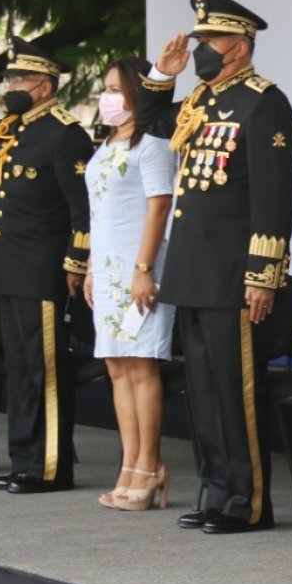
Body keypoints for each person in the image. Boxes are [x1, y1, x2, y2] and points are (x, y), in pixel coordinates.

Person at [137, 0, 292, 535]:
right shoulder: (200, 99)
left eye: (209, 39)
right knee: (203, 392)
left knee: (235, 391)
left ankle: (247, 502)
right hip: (192, 269)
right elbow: (153, 122)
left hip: (233, 273)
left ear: (238, 45)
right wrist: (164, 74)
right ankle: (216, 491)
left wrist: (263, 275)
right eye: (199, 38)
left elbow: (274, 197)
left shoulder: (262, 101)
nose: (200, 46)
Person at [0, 37, 94, 495]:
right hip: (8, 269)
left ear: (46, 87)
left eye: (20, 79)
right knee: (19, 367)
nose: (11, 86)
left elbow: (81, 209)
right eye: (10, 78)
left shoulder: (64, 132)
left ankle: (50, 467)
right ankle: (26, 460)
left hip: (42, 269)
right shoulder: (13, 129)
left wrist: (76, 261)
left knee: (43, 369)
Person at [83, 55, 176, 511]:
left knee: (141, 366)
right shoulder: (105, 143)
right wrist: (90, 268)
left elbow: (159, 208)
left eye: (117, 89)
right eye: (105, 89)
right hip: (107, 271)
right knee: (117, 368)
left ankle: (150, 464)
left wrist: (143, 270)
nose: (108, 97)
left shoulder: (153, 143)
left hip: (140, 271)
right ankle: (129, 463)